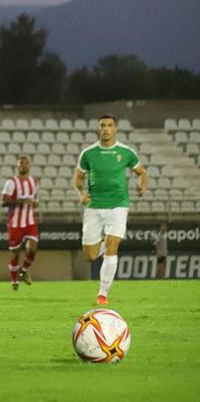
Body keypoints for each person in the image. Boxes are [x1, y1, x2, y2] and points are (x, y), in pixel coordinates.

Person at [74, 114, 148, 305]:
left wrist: (142, 185)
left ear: (115, 129)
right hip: (94, 206)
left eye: (109, 125)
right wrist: (81, 194)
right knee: (90, 255)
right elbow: (77, 178)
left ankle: (103, 293)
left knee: (112, 245)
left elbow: (142, 172)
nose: (106, 129)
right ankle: (106, 246)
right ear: (98, 129)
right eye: (102, 125)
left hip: (118, 205)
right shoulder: (88, 154)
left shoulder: (126, 152)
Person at [1, 155, 39, 291]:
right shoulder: (11, 182)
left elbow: (35, 200)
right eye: (21, 163)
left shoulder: (34, 182)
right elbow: (3, 201)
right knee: (15, 253)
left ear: (29, 166)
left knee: (33, 247)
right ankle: (14, 280)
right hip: (15, 223)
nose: (23, 165)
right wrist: (22, 201)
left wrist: (35, 203)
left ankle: (24, 271)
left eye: (26, 163)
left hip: (29, 221)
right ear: (17, 166)